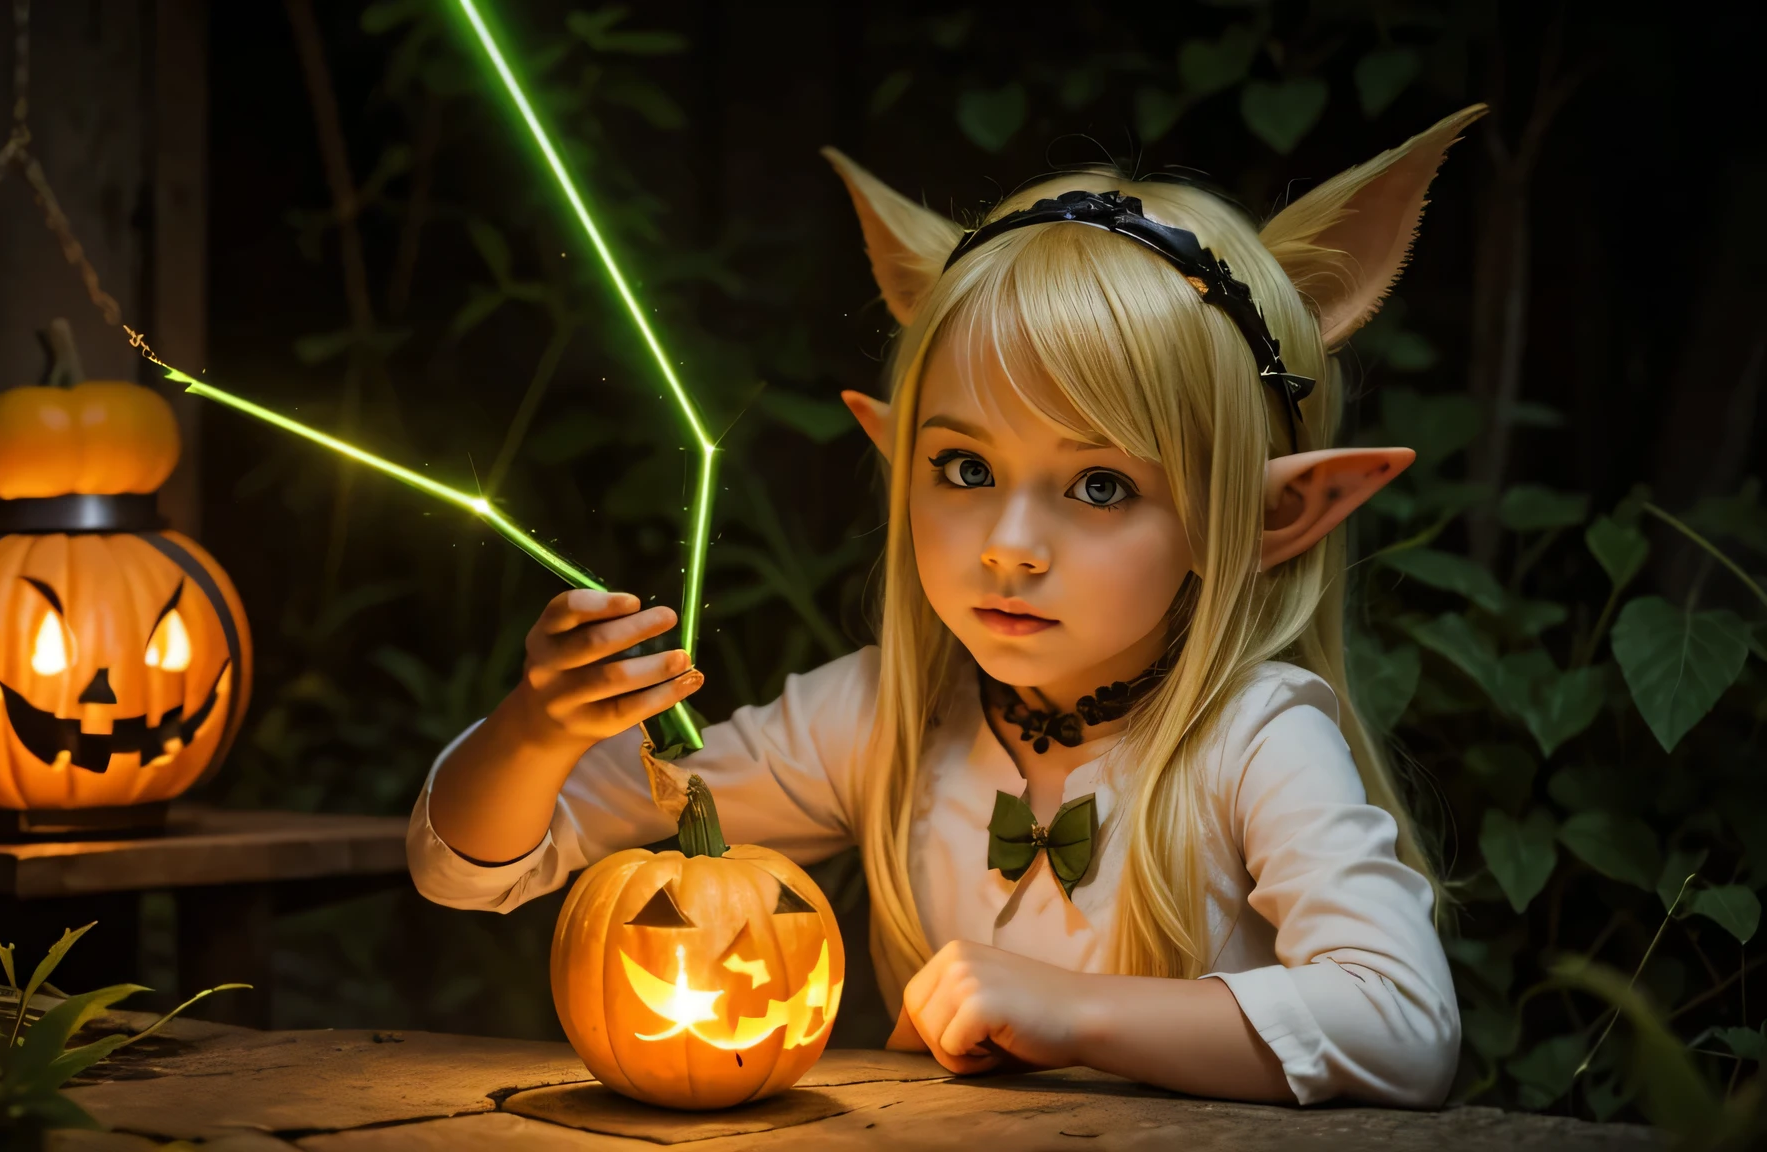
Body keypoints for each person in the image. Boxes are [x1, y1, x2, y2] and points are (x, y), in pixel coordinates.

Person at [408, 104, 1488, 1108]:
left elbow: (1403, 1024)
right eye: (964, 470)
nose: (1009, 548)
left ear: (1266, 519)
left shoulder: (1254, 737)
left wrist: (1069, 1011)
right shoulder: (880, 717)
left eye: (1100, 485)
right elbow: (472, 869)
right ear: (895, 460)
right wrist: (536, 732)